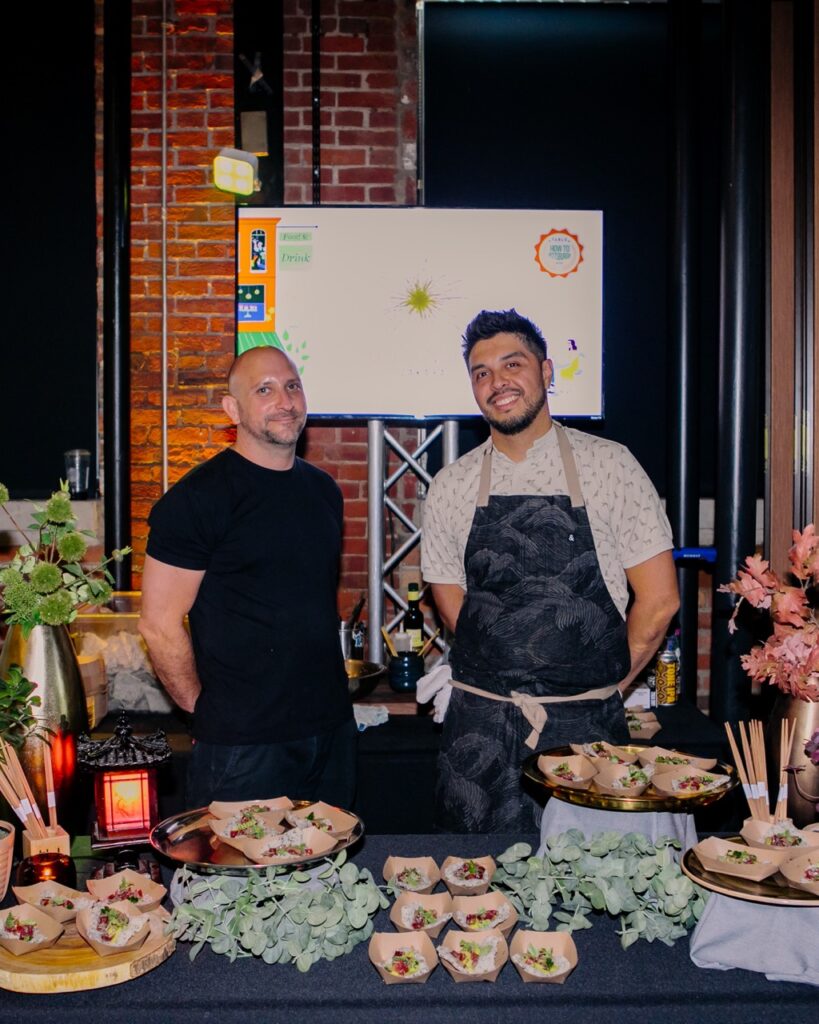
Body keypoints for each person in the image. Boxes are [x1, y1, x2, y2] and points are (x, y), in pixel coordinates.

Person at [421, 309, 679, 832]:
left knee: (589, 888)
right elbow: (450, 599)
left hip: (585, 732)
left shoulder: (611, 466)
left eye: (512, 364)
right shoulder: (451, 483)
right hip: (479, 733)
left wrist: (602, 685)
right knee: (476, 890)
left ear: (547, 370)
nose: (498, 382)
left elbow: (659, 601)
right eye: (482, 373)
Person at [138, 345, 355, 810]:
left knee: (330, 879)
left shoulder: (323, 491)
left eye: (292, 385)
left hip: (330, 733)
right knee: (234, 880)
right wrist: (203, 710)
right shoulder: (197, 500)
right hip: (243, 746)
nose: (286, 400)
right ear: (232, 409)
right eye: (265, 389)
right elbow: (158, 625)